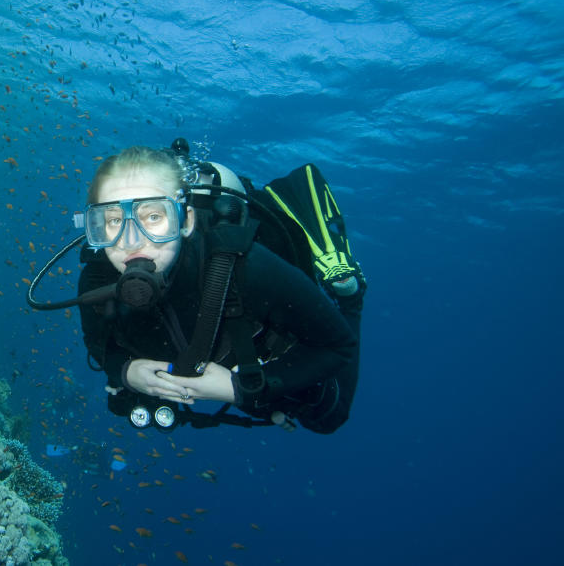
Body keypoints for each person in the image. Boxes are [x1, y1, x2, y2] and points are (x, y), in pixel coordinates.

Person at [67, 143, 366, 434]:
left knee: (327, 419)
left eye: (153, 216)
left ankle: (351, 296)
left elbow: (339, 345)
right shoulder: (97, 281)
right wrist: (126, 372)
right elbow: (100, 344)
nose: (130, 240)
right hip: (218, 365)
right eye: (113, 220)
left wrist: (244, 388)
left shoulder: (242, 265)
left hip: (259, 362)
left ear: (186, 220)